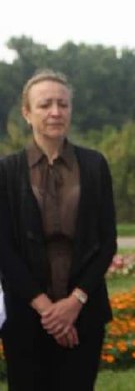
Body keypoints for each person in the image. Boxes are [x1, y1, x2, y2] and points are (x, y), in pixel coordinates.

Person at [0, 70, 117, 390]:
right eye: (45, 104)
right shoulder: (6, 171)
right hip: (26, 315)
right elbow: (3, 249)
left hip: (84, 310)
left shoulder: (94, 165)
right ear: (27, 113)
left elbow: (107, 242)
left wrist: (72, 304)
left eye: (62, 104)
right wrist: (48, 311)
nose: (55, 111)